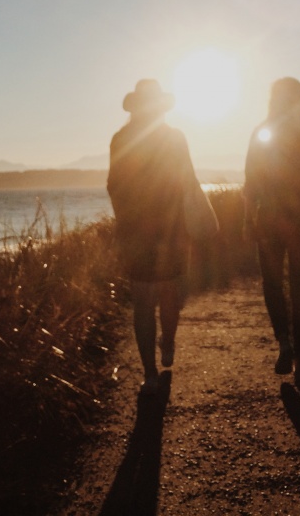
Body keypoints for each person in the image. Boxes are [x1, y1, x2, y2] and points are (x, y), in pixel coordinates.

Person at [107, 78, 197, 396]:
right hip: (166, 228)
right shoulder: (171, 138)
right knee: (162, 295)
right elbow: (188, 179)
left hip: (146, 230)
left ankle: (153, 369)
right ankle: (155, 362)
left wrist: (125, 223)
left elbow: (114, 186)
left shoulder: (124, 138)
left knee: (149, 301)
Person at [244, 77, 300, 377]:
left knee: (272, 283)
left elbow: (251, 184)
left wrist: (248, 220)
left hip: (269, 222)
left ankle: (284, 344)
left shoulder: (262, 133)